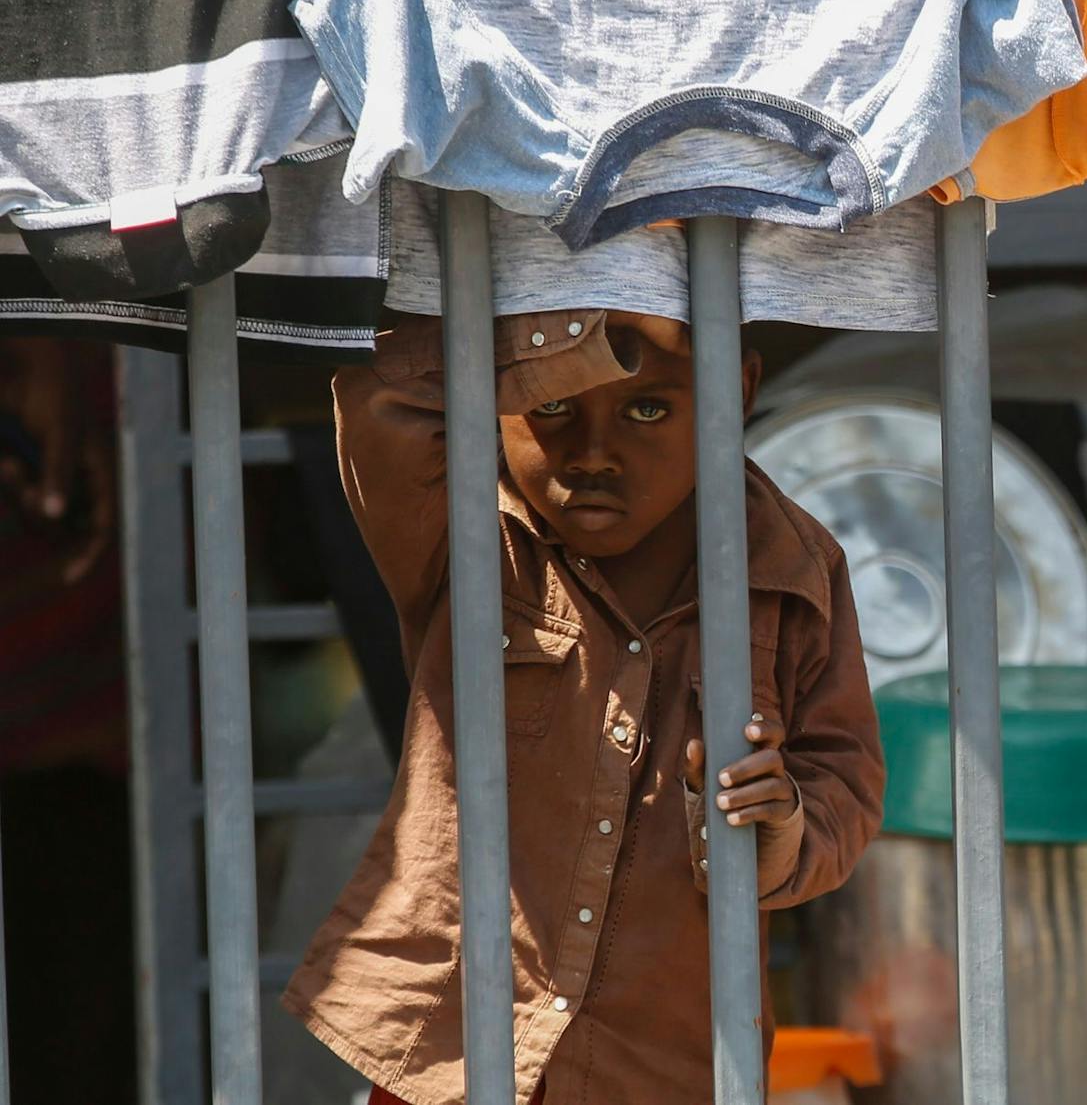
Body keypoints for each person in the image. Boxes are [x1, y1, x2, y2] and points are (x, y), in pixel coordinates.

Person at [283, 305, 885, 1105]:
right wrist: (564, 326)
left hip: (659, 1057)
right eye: (552, 406)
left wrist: (783, 831)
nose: (595, 454)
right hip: (456, 1046)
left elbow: (843, 780)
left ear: (735, 390)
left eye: (648, 409)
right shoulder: (457, 527)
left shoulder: (792, 571)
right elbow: (389, 385)